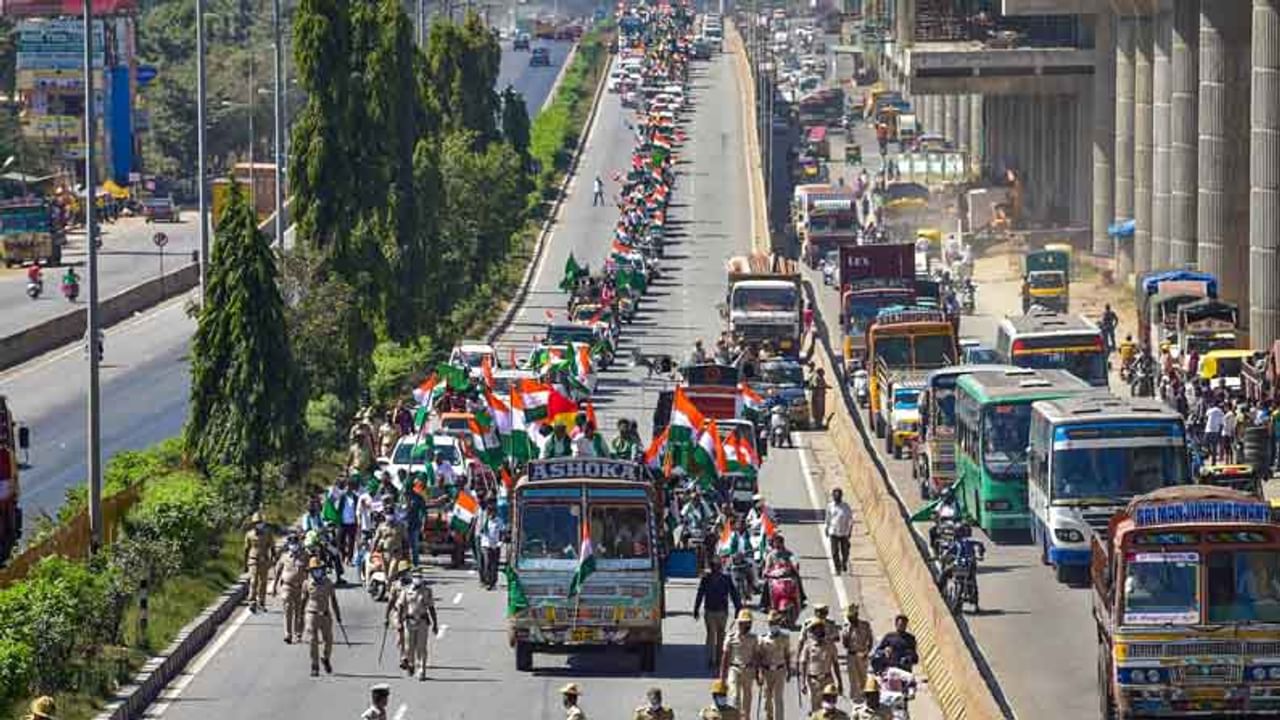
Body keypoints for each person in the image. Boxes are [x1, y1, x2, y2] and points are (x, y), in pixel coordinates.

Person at [695, 556, 743, 668]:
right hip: (710, 611)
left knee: (720, 635)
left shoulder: (726, 578)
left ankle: (718, 659)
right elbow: (700, 594)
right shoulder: (706, 579)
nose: (715, 569)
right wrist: (696, 608)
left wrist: (738, 608)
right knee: (712, 635)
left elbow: (734, 594)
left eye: (717, 566)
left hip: (721, 612)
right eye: (714, 566)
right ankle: (712, 659)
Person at [302, 556, 343, 676]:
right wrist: (300, 615)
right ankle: (314, 665)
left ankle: (325, 658)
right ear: (311, 571)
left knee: (328, 640)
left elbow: (333, 600)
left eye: (319, 569)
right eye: (315, 569)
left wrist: (338, 615)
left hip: (325, 614)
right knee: (312, 641)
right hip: (311, 614)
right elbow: (303, 599)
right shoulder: (307, 583)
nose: (317, 571)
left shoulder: (328, 583)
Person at [395, 573, 438, 680]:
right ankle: (411, 664)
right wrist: (399, 622)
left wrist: (435, 624)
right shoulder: (406, 591)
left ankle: (421, 670)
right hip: (409, 622)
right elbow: (400, 606)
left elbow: (431, 608)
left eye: (419, 576)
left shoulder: (427, 591)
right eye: (415, 576)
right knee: (409, 647)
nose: (417, 579)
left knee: (421, 647)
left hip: (422, 621)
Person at [721, 609, 761, 720]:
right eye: (745, 623)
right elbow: (725, 657)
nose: (748, 625)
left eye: (749, 622)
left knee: (747, 700)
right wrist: (722, 678)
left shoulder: (754, 638)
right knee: (734, 698)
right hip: (734, 669)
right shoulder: (731, 637)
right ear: (739, 623)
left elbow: (757, 657)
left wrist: (758, 675)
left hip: (748, 670)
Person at [798, 618, 843, 712]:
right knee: (816, 709)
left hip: (827, 679)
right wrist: (802, 683)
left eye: (821, 628)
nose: (819, 631)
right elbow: (803, 663)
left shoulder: (830, 645)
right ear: (813, 632)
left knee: (829, 707)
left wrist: (840, 682)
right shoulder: (808, 646)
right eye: (816, 629)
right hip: (813, 681)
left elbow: (836, 664)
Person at [271, 532, 308, 644]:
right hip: (287, 586)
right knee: (288, 609)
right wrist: (274, 586)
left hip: (301, 587)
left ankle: (298, 633)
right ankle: (288, 634)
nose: (293, 545)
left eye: (295, 543)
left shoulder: (305, 556)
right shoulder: (284, 557)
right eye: (291, 543)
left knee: (299, 611)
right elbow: (277, 572)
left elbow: (311, 571)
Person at [758, 610, 793, 720]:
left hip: (780, 670)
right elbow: (759, 657)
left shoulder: (785, 638)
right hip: (766, 671)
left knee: (778, 699)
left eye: (776, 623)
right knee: (767, 699)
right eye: (771, 623)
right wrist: (759, 673)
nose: (773, 625)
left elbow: (787, 654)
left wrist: (789, 670)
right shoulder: (762, 639)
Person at [840, 604, 875, 703]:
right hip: (851, 655)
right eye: (849, 617)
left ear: (856, 615)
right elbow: (845, 645)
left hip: (862, 654)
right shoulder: (846, 627)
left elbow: (870, 640)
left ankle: (866, 698)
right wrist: (847, 633)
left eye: (852, 617)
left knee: (863, 677)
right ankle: (856, 700)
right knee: (853, 679)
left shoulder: (865, 625)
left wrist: (867, 652)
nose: (850, 619)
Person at [243, 512, 276, 613]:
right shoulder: (249, 534)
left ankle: (261, 602)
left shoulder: (268, 533)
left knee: (263, 582)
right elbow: (246, 549)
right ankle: (252, 601)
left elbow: (272, 546)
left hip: (264, 559)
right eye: (257, 523)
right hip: (253, 559)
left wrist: (273, 557)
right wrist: (245, 564)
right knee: (253, 581)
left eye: (260, 522)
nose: (259, 524)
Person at [477, 496, 505, 590]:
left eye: (492, 512)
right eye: (489, 512)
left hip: (496, 545)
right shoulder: (485, 521)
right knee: (487, 563)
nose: (491, 514)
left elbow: (502, 532)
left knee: (494, 564)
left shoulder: (499, 521)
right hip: (486, 544)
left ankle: (493, 581)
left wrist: (500, 542)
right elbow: (480, 531)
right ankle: (488, 582)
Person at [825, 489, 853, 574]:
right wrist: (826, 528)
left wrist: (849, 531)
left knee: (845, 551)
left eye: (838, 496)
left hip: (844, 532)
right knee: (834, 552)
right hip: (833, 532)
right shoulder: (830, 506)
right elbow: (828, 518)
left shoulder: (846, 507)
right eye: (835, 496)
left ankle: (844, 562)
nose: (836, 498)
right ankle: (837, 568)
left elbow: (850, 520)